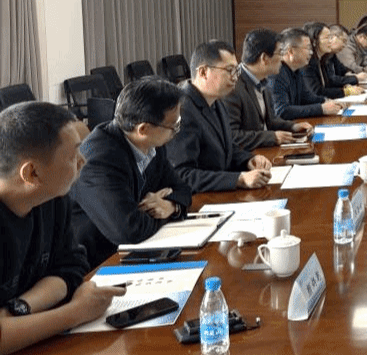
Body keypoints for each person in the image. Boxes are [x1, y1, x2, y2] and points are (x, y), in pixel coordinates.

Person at [0, 102, 125, 354]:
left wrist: (20, 307)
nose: (83, 161)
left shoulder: (51, 198)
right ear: (32, 173)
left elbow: (70, 265)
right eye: (72, 156)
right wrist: (75, 313)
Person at [69, 78, 193, 269]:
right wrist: (165, 214)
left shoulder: (153, 144)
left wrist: (171, 206)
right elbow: (129, 230)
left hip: (136, 250)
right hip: (97, 264)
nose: (176, 132)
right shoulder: (97, 160)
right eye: (173, 126)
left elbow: (183, 190)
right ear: (143, 129)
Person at [166, 41, 273, 193]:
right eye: (229, 70)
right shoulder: (181, 110)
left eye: (236, 71)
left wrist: (248, 160)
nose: (235, 77)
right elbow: (183, 175)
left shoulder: (215, 100)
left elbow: (225, 147)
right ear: (203, 72)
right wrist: (238, 179)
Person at [223, 28, 313, 151]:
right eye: (280, 53)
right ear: (264, 58)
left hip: (264, 151)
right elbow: (232, 136)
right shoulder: (232, 87)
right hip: (249, 157)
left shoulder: (262, 80)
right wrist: (272, 137)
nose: (282, 58)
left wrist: (293, 126)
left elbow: (270, 120)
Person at [269, 27, 347, 120]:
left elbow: (306, 97)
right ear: (291, 51)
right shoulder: (276, 73)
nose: (311, 52)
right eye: (307, 48)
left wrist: (327, 101)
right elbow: (282, 111)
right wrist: (321, 109)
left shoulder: (297, 69)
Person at [301, 22, 362, 99]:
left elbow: (329, 84)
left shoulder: (323, 59)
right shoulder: (307, 62)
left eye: (330, 37)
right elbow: (316, 92)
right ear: (315, 41)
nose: (330, 41)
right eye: (327, 38)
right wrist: (345, 91)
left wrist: (346, 86)